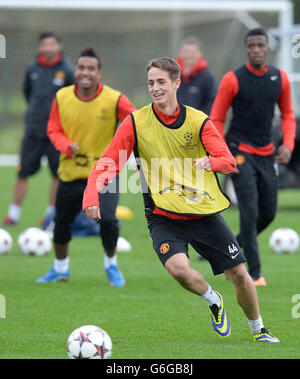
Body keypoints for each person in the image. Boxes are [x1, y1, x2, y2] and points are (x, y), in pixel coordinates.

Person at [83, 56, 280, 343]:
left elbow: (226, 159)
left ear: (177, 83)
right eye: (151, 83)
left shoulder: (199, 120)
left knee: (238, 272)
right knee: (179, 270)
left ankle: (259, 329)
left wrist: (210, 163)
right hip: (163, 215)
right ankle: (213, 300)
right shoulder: (135, 122)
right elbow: (108, 163)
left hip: (201, 210)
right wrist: (92, 195)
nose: (155, 88)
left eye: (161, 82)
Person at [36, 47, 136, 286]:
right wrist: (64, 144)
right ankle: (60, 269)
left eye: (91, 68)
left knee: (109, 220)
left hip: (104, 175)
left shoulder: (115, 99)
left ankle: (111, 266)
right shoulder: (62, 97)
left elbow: (136, 121)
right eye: (81, 68)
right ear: (76, 70)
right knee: (61, 222)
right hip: (71, 174)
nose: (85, 72)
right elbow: (53, 128)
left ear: (99, 73)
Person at [210, 27, 296, 286]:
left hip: (267, 153)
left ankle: (228, 248)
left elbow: (288, 115)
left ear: (267, 48)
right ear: (246, 49)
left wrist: (288, 145)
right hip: (240, 152)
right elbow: (216, 118)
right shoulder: (232, 79)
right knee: (248, 212)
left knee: (267, 212)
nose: (256, 50)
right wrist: (223, 153)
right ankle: (255, 273)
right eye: (252, 46)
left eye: (261, 45)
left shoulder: (280, 78)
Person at [2, 31, 75, 226]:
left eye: (52, 44)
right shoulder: (32, 68)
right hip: (33, 132)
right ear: (40, 47)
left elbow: (73, 100)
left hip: (56, 134)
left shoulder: (67, 71)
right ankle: (13, 214)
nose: (48, 48)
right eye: (44, 44)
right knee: (22, 172)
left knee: (57, 175)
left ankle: (50, 216)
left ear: (58, 45)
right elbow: (27, 93)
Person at [176, 36, 217, 114]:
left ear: (200, 53)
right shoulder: (172, 75)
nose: (189, 55)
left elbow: (212, 102)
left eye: (192, 52)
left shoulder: (207, 77)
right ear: (180, 53)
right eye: (186, 51)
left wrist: (201, 120)